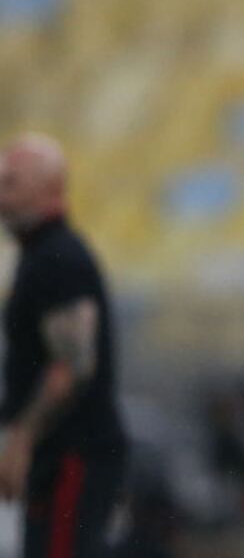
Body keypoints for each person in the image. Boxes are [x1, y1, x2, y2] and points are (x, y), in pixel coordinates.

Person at [0, 133, 128, 557]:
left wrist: (21, 437)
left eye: (10, 182)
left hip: (74, 456)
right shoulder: (41, 254)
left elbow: (73, 365)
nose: (2, 194)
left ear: (45, 188)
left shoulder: (59, 257)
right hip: (60, 456)